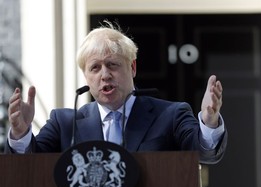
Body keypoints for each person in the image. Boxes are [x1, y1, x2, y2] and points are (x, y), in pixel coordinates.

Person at [5, 20, 227, 164]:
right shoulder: (63, 123)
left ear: (132, 67)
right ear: (86, 77)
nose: (105, 75)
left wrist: (208, 122)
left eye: (112, 65)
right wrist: (20, 134)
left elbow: (204, 154)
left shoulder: (171, 115)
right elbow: (29, 168)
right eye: (95, 68)